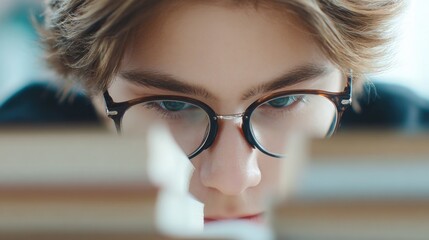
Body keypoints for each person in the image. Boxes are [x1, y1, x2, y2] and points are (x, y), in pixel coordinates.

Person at [2, 0, 405, 223]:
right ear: (89, 87)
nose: (232, 180)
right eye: (172, 104)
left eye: (282, 101)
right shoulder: (15, 163)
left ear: (347, 82)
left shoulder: (409, 152)